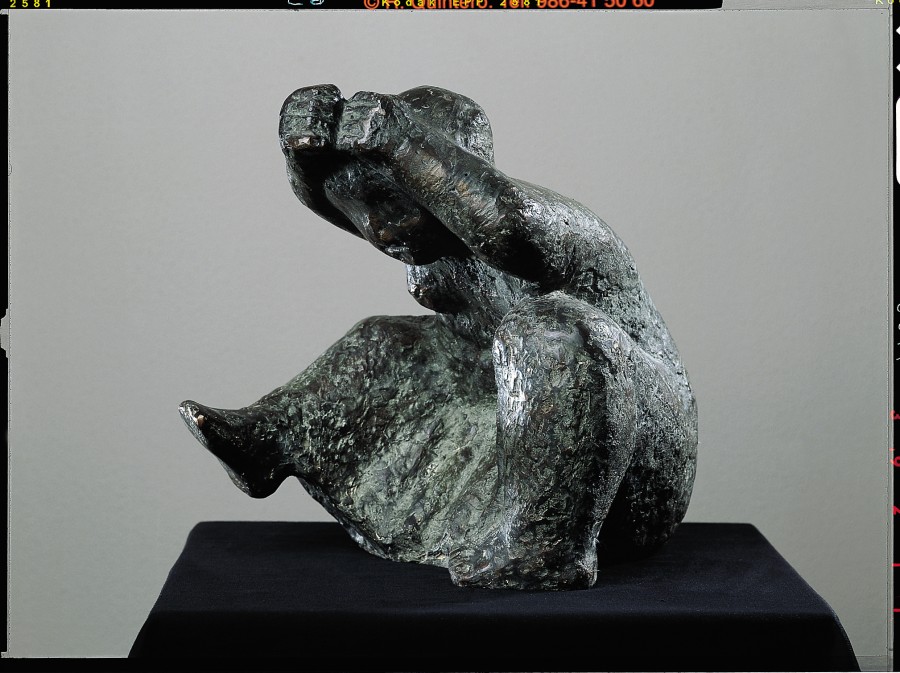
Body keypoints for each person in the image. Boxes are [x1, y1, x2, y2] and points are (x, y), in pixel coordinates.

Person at [180, 84, 698, 590]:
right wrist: (303, 160)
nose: (380, 230)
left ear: (445, 175)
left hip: (630, 449)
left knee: (549, 332)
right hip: (502, 403)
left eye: (393, 204)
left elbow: (507, 225)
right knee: (383, 339)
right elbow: (334, 203)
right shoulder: (432, 242)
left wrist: (397, 139)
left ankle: (548, 546)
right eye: (368, 211)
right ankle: (271, 438)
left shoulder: (555, 229)